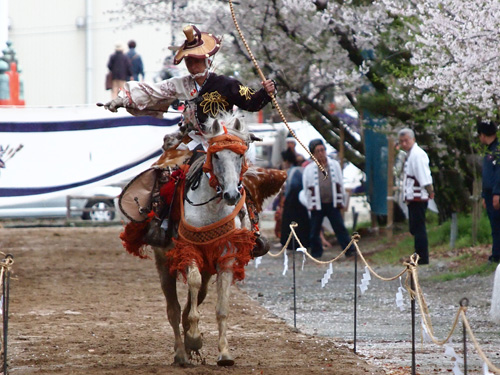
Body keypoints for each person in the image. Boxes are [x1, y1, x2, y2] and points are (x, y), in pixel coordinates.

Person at [301, 139, 354, 259]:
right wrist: (310, 203)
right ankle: (316, 253)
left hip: (332, 203)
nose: (321, 153)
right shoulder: (309, 169)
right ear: (313, 154)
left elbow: (340, 182)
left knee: (340, 227)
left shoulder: (334, 165)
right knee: (314, 230)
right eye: (317, 151)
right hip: (317, 204)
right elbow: (306, 188)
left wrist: (341, 201)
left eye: (322, 150)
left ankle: (349, 250)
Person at [398, 128, 434, 265]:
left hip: (419, 195)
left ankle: (422, 256)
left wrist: (429, 190)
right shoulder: (409, 155)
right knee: (414, 227)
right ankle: (418, 253)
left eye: (406, 140)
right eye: (402, 141)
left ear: (413, 139)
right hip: (412, 195)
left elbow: (423, 174)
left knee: (418, 227)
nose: (404, 143)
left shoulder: (418, 154)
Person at [477, 120, 500, 264]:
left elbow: (498, 174)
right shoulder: (489, 150)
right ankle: (496, 252)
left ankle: (497, 254)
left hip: (496, 193)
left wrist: (497, 193)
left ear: (483, 135)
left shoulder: (497, 151)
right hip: (489, 193)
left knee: (498, 225)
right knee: (494, 225)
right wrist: (484, 196)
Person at [278, 148, 310, 249]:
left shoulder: (292, 171)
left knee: (290, 223)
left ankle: (290, 243)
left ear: (287, 161)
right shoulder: (299, 169)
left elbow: (290, 187)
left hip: (293, 201)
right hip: (300, 202)